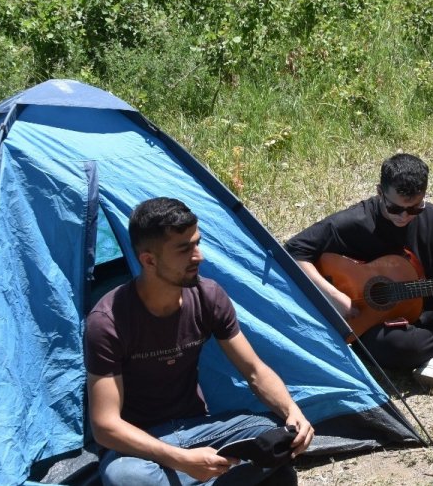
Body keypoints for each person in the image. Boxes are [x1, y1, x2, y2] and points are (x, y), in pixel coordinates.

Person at [85, 197, 314, 485]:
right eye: (185, 249)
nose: (199, 256)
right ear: (149, 260)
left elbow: (254, 371)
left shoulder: (208, 296)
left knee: (274, 436)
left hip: (200, 430)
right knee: (125, 478)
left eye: (197, 243)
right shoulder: (107, 321)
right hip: (141, 445)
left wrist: (292, 411)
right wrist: (179, 459)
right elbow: (105, 426)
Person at [286, 153, 433, 395]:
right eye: (395, 208)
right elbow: (293, 251)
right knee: (392, 346)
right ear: (380, 192)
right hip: (380, 323)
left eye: (415, 209)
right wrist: (334, 295)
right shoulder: (355, 221)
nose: (404, 216)